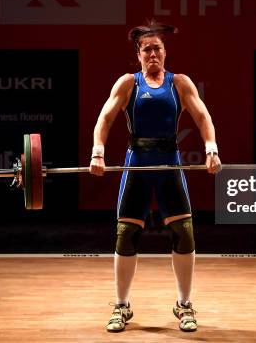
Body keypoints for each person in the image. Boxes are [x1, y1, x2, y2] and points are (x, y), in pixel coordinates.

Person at [89, 20, 221, 333]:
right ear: (138, 55)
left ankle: (184, 304)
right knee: (126, 235)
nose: (152, 54)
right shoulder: (128, 84)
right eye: (146, 49)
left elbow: (203, 116)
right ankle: (121, 306)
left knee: (184, 232)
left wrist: (211, 149)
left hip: (169, 163)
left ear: (165, 52)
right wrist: (97, 152)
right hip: (137, 163)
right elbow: (104, 118)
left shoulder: (180, 83)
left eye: (157, 49)